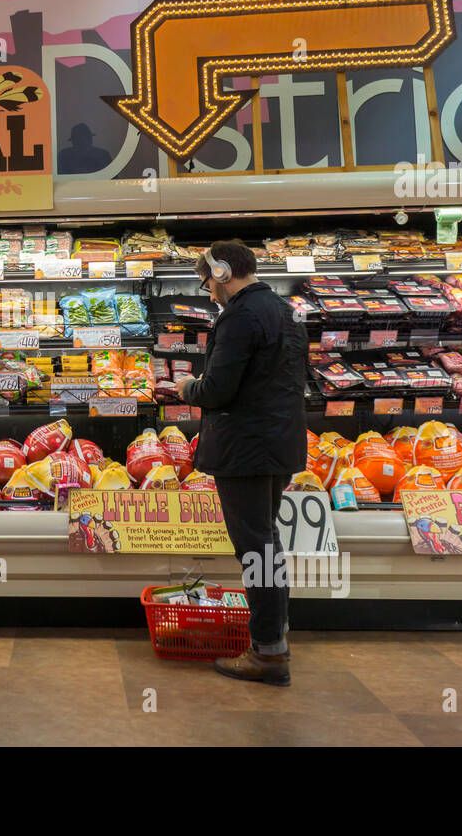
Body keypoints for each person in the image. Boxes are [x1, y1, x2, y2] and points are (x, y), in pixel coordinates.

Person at [175, 241, 308, 686]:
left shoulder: (238, 317)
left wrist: (187, 388)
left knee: (257, 549)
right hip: (280, 445)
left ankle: (268, 654)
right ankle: (275, 640)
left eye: (208, 281)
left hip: (246, 450)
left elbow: (217, 390)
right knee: (267, 542)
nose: (209, 293)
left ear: (223, 271)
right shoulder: (288, 312)